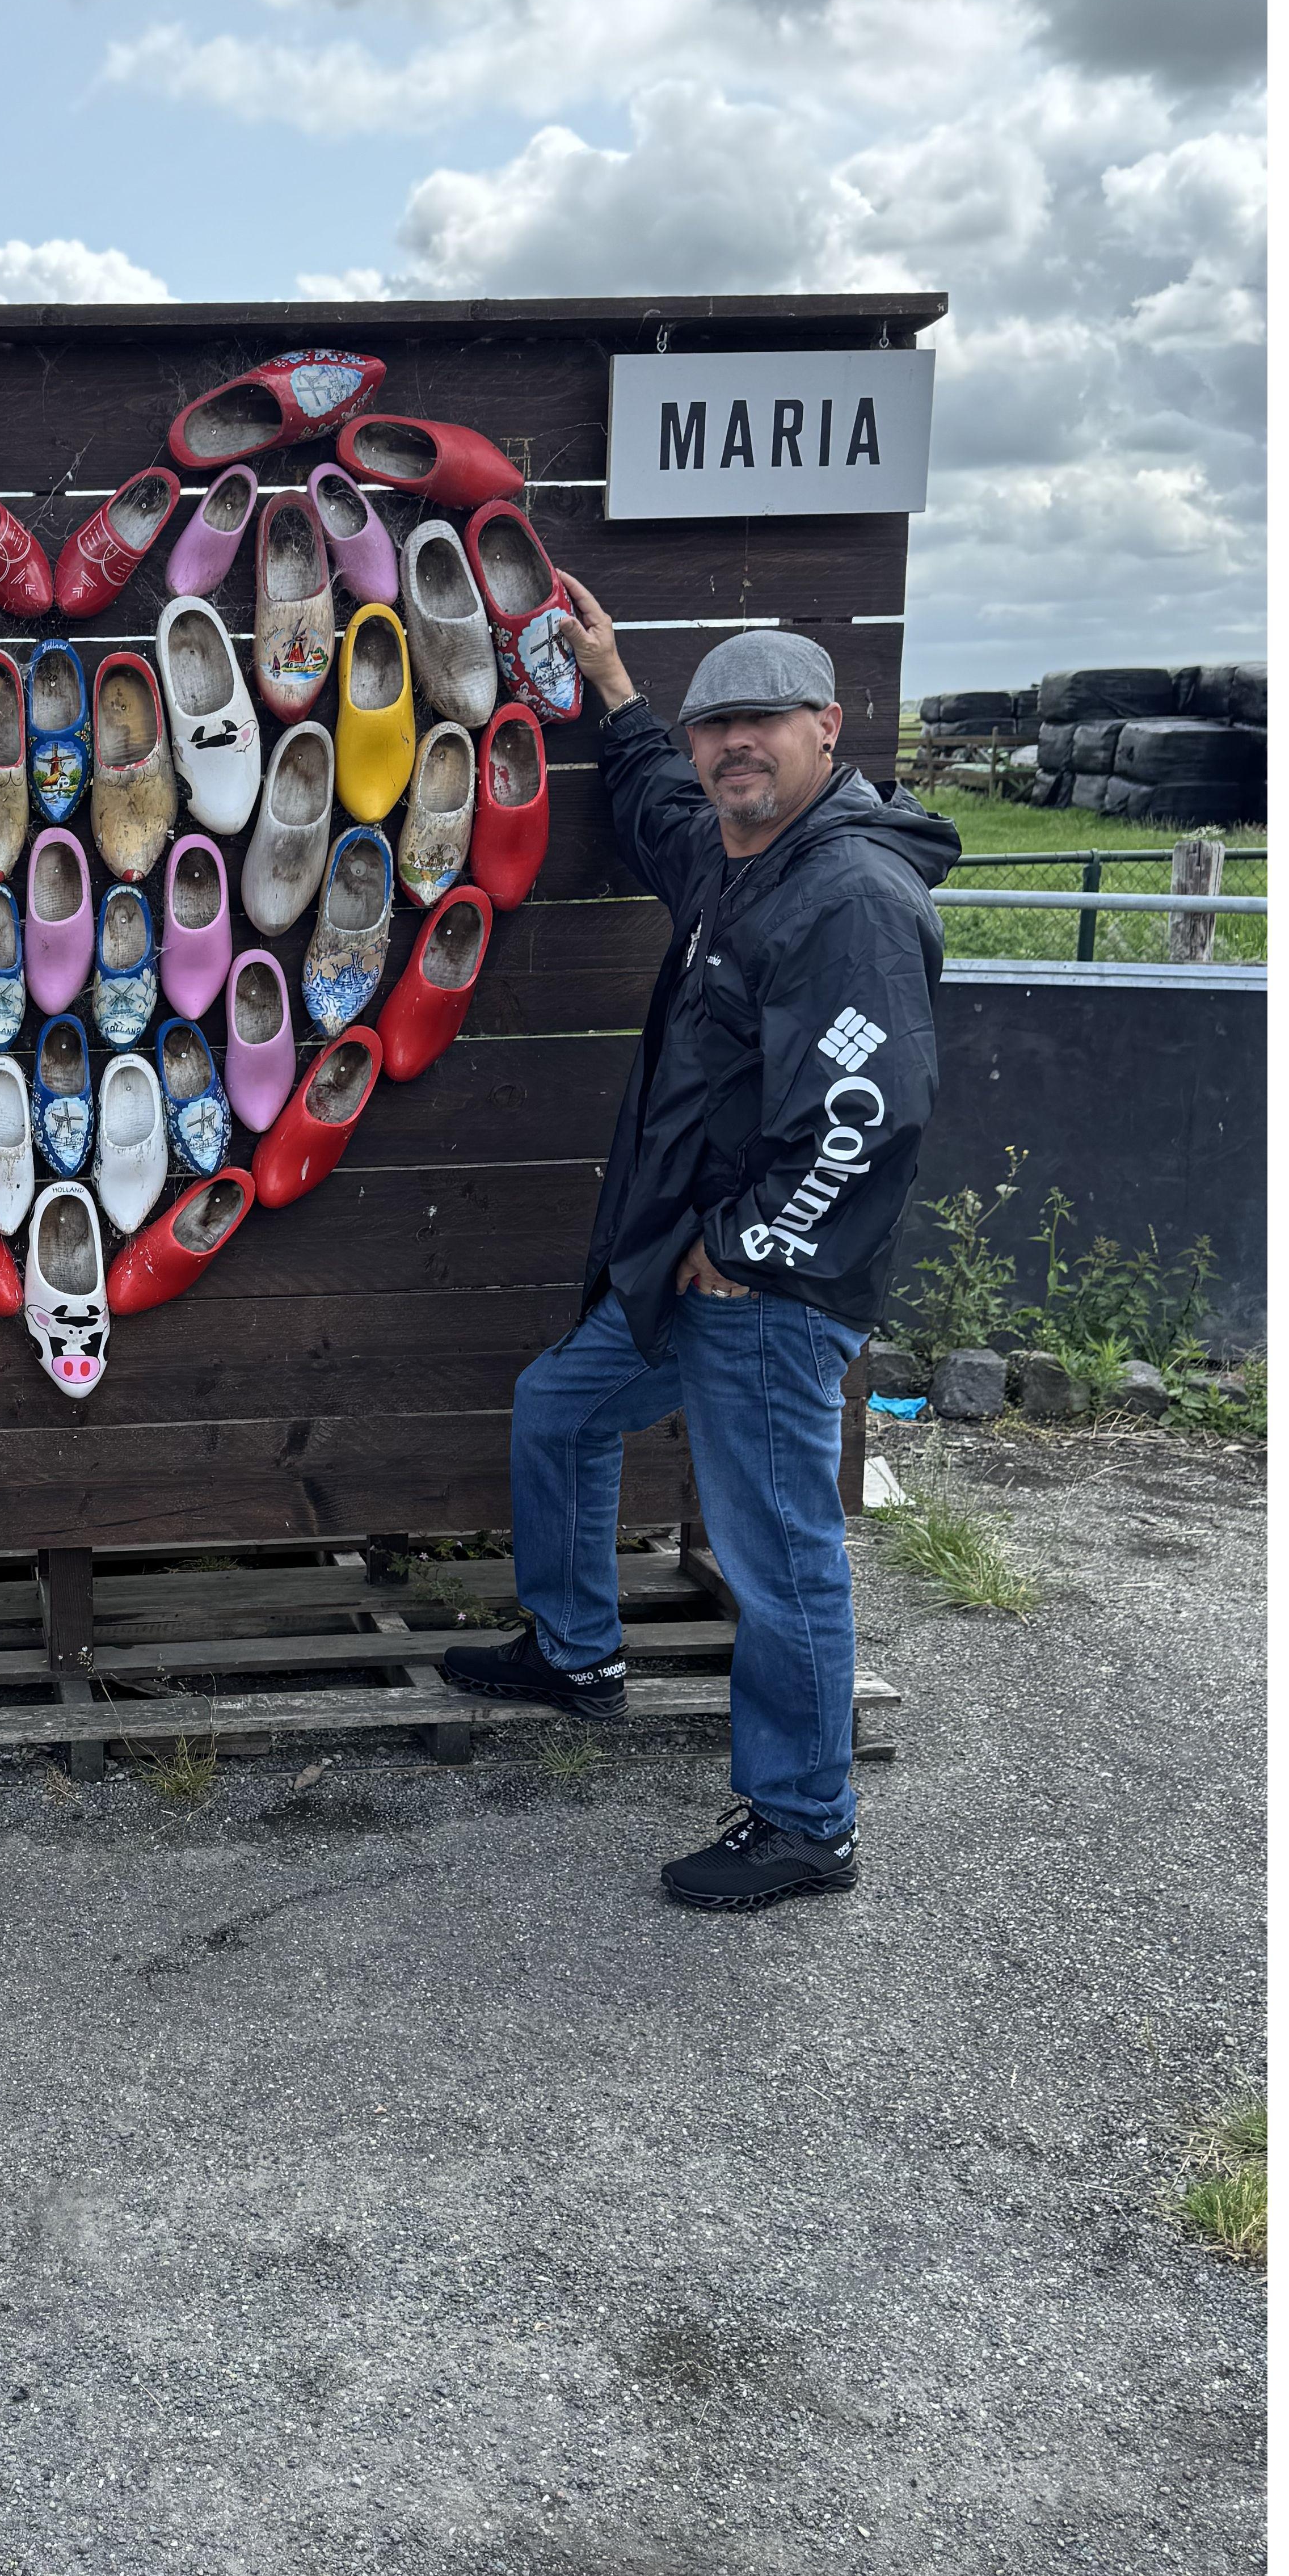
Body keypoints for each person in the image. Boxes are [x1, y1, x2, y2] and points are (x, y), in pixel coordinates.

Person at [444, 589, 959, 1911]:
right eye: (715, 724)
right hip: (687, 1267)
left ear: (828, 728)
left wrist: (749, 1249)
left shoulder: (847, 895)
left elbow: (867, 1117)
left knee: (777, 1546)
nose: (734, 745)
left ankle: (805, 1823)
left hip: (766, 1291)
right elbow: (667, 809)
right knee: (560, 1408)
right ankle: (578, 1653)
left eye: (762, 722)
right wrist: (617, 692)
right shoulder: (743, 856)